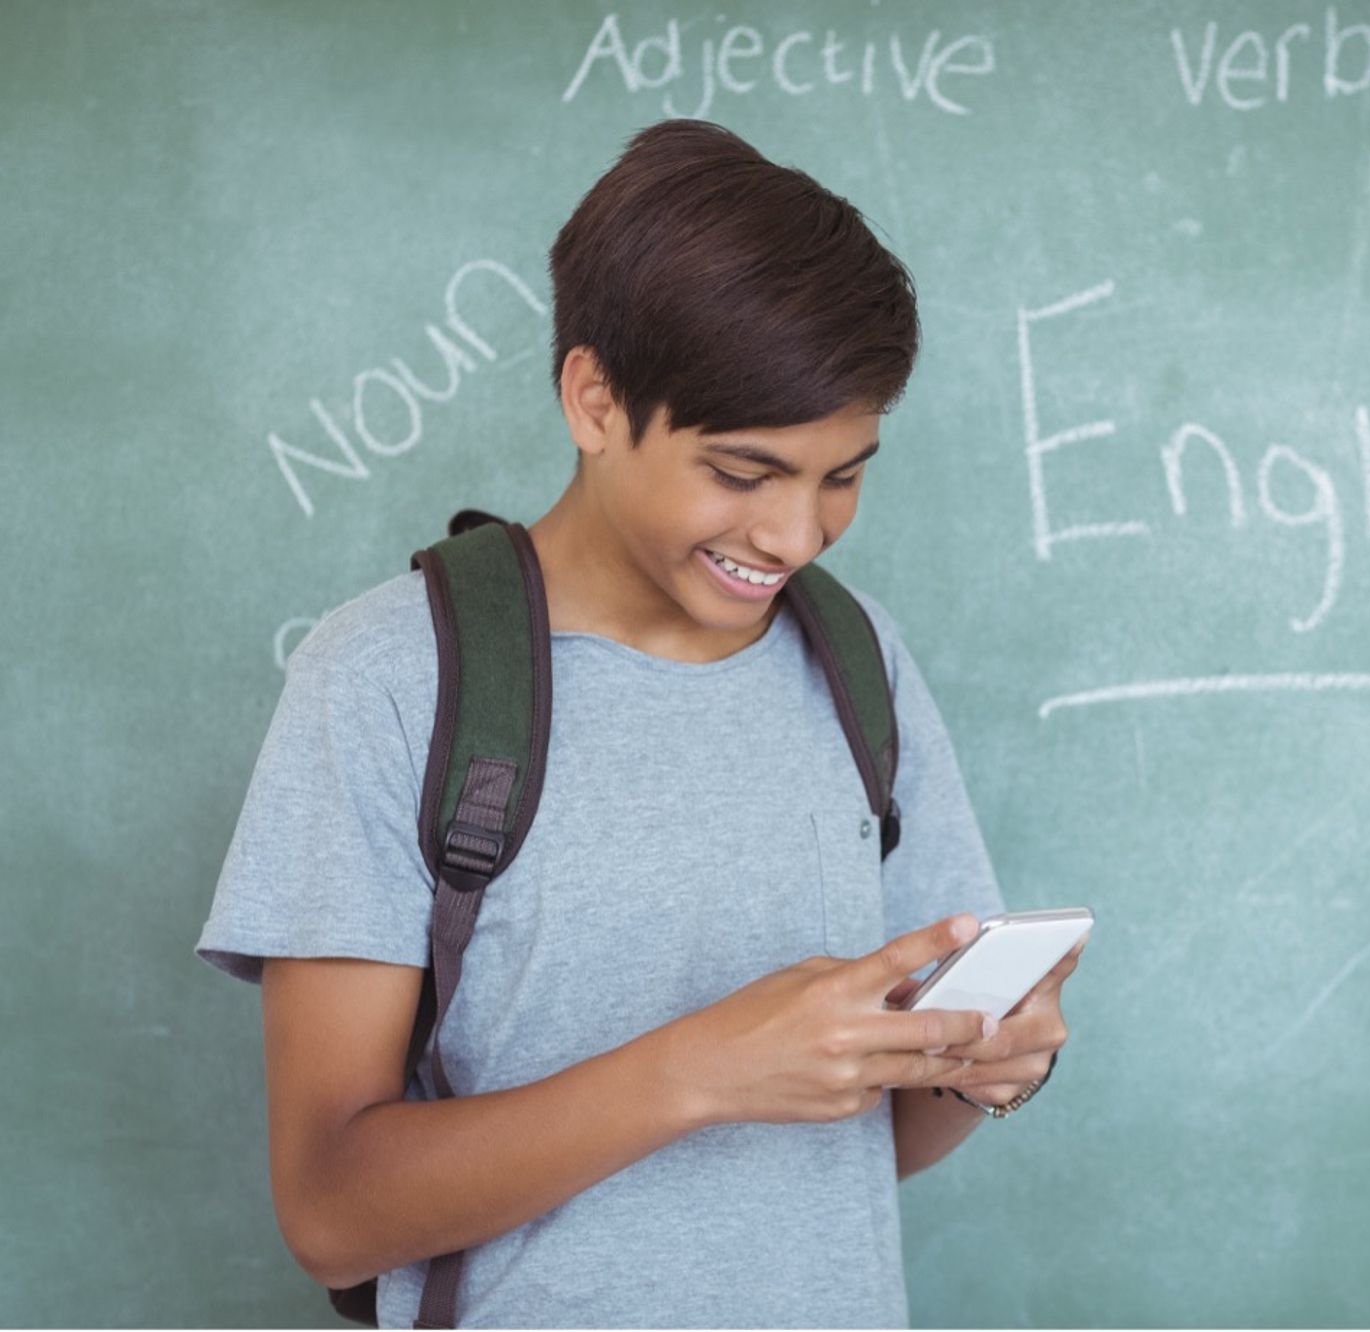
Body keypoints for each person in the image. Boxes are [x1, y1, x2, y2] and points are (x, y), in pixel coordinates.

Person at [193, 117, 1087, 1329]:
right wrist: (702, 1069)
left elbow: (864, 1147)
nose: (796, 535)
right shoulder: (388, 679)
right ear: (593, 399)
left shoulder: (857, 660)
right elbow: (331, 1210)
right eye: (741, 473)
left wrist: (980, 1070)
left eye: (843, 474)